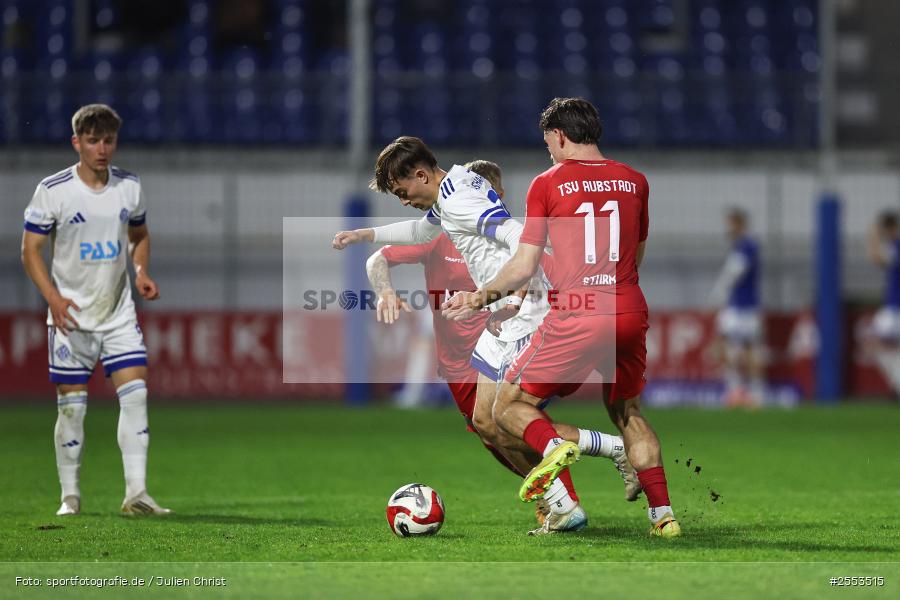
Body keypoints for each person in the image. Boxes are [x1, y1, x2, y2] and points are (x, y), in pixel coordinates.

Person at [334, 139, 640, 534]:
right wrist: (366, 234)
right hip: (500, 315)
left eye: (402, 191)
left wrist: (514, 291)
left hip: (520, 314)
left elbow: (514, 233)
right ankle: (576, 495)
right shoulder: (453, 187)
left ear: (421, 175)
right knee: (485, 420)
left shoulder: (460, 199)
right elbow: (420, 230)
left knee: (506, 416)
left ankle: (597, 463)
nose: (404, 200)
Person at [442, 97, 680, 537]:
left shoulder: (547, 182)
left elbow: (523, 265)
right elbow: (635, 254)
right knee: (628, 410)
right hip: (628, 305)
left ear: (560, 136)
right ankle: (663, 516)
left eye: (548, 142)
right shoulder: (636, 180)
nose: (549, 150)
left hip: (578, 311)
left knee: (507, 407)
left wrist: (478, 298)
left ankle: (556, 449)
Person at [20, 104, 170, 517]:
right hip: (71, 316)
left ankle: (136, 494)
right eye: (92, 141)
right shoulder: (53, 190)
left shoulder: (129, 187)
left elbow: (138, 235)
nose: (101, 149)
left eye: (108, 140)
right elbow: (29, 250)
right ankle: (70, 496)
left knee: (136, 394)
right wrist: (52, 297)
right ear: (77, 143)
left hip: (118, 311)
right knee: (72, 407)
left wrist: (141, 270)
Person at [710, 208, 765, 407]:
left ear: (739, 223)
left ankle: (750, 392)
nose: (727, 228)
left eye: (730, 223)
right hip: (742, 305)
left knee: (743, 347)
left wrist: (718, 295)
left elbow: (734, 273)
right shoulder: (746, 245)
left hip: (743, 306)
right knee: (733, 346)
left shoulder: (746, 246)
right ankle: (739, 390)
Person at [866, 212, 900, 394]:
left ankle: (898, 382)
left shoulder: (897, 245)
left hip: (895, 308)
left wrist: (871, 238)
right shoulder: (894, 245)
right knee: (887, 344)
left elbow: (878, 259)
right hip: (893, 306)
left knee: (877, 340)